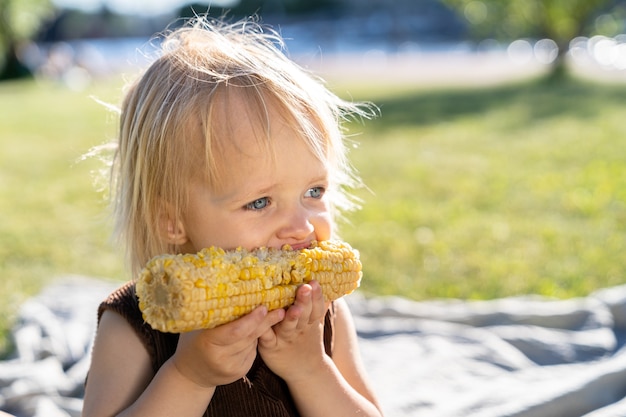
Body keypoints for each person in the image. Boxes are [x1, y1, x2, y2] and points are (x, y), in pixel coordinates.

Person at [82, 16, 383, 417]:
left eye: (314, 192)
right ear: (173, 221)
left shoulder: (321, 311)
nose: (303, 227)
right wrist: (189, 376)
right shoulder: (134, 325)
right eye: (260, 202)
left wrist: (311, 369)